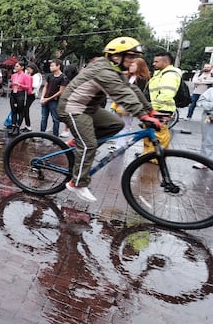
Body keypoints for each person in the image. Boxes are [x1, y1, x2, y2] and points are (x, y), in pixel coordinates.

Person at [57, 37, 159, 202]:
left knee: (116, 124)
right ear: (116, 56)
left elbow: (131, 89)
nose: (133, 60)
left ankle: (77, 144)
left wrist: (150, 110)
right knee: (89, 145)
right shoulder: (104, 71)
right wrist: (143, 116)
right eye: (130, 56)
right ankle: (77, 183)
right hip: (73, 107)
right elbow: (122, 94)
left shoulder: (114, 71)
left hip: (89, 108)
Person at [143, 51, 181, 156]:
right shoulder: (161, 73)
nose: (153, 64)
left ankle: (156, 157)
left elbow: (167, 94)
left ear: (165, 62)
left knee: (159, 134)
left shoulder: (170, 75)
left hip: (162, 109)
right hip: (158, 108)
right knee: (151, 133)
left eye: (156, 61)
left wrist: (153, 108)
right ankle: (148, 155)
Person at [110, 57, 150, 149]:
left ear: (139, 67)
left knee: (126, 125)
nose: (130, 67)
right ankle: (118, 143)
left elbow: (137, 93)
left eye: (133, 65)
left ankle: (120, 145)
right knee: (119, 124)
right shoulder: (129, 76)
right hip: (120, 104)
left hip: (130, 105)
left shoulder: (141, 79)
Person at [8, 61, 32, 134]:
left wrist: (19, 84)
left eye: (17, 66)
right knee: (13, 110)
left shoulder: (26, 76)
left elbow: (28, 86)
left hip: (21, 93)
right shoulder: (13, 75)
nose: (15, 67)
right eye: (15, 66)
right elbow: (10, 84)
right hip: (13, 93)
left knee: (20, 111)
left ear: (22, 67)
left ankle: (18, 126)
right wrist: (12, 84)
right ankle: (13, 125)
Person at [194, 85, 213, 169]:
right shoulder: (210, 91)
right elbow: (200, 102)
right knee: (207, 140)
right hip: (209, 118)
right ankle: (205, 161)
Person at [21, 63, 41, 132]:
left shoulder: (36, 76)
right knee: (25, 109)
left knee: (26, 109)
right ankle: (26, 125)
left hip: (32, 94)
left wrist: (27, 81)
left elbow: (35, 85)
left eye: (29, 70)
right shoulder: (32, 75)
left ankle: (28, 126)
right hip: (29, 93)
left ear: (33, 69)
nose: (28, 71)